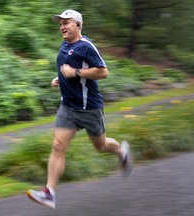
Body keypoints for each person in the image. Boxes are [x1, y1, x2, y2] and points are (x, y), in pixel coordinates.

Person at [27, 9, 133, 209]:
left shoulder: (87, 47)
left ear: (78, 24)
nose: (62, 26)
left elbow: (103, 72)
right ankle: (49, 193)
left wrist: (74, 73)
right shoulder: (66, 44)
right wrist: (61, 78)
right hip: (68, 107)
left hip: (89, 108)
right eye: (60, 23)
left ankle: (122, 152)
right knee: (58, 146)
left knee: (100, 146)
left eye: (66, 23)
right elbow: (69, 68)